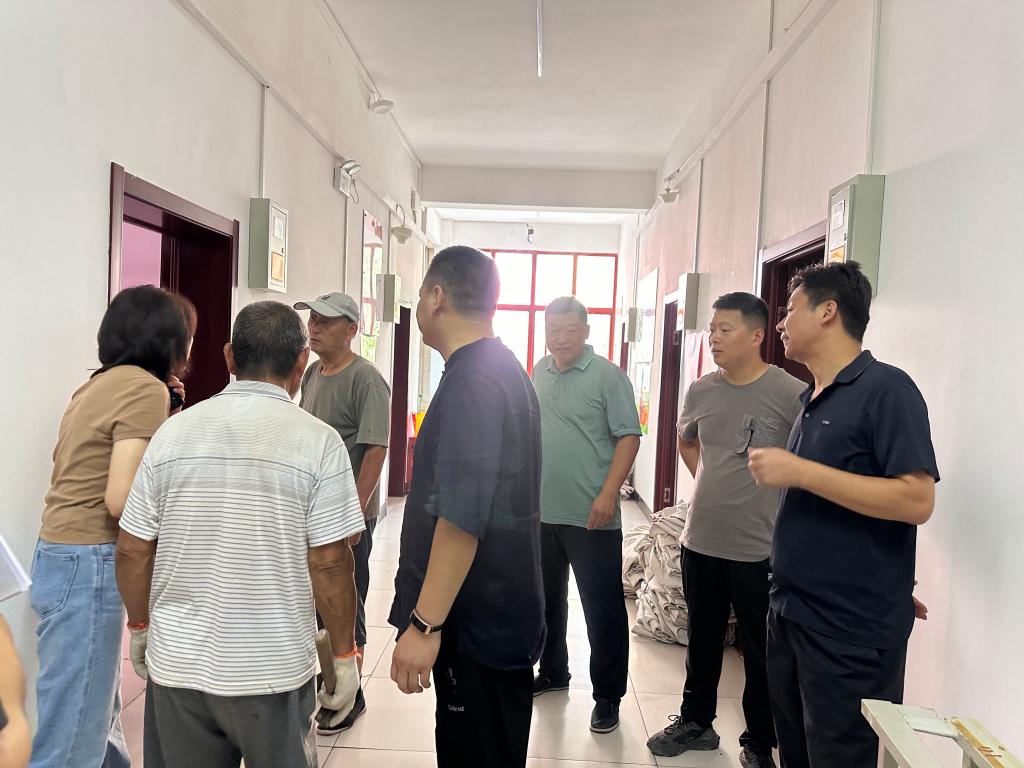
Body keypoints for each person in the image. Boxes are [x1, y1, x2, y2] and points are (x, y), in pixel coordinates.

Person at [116, 301, 365, 768]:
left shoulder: (172, 434)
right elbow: (331, 562)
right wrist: (344, 655)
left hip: (179, 668)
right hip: (272, 671)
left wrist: (140, 627)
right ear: (301, 362)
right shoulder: (319, 442)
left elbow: (132, 549)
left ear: (230, 357)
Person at [747, 261, 939, 767]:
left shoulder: (887, 389)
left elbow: (916, 500)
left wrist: (800, 471)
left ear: (827, 311)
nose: (781, 323)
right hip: (792, 614)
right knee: (796, 753)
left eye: (790, 309)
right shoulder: (813, 396)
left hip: (846, 632)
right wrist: (879, 573)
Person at [388, 246, 544, 768]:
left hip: (479, 623)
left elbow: (461, 518)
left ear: (437, 296)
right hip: (497, 613)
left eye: (419, 294)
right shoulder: (497, 367)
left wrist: (424, 626)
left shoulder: (473, 381)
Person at [29, 285, 193, 768]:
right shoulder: (143, 389)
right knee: (73, 735)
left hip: (60, 553)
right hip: (91, 560)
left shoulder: (97, 385)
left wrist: (168, 411)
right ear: (169, 341)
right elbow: (121, 499)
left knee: (96, 716)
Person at [646, 293, 804, 766]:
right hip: (702, 539)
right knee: (702, 638)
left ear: (756, 336)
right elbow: (686, 440)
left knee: (760, 652)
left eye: (725, 329)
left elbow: (808, 464)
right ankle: (696, 722)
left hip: (760, 549)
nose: (713, 337)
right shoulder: (701, 391)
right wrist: (712, 482)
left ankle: (758, 742)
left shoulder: (791, 393)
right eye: (712, 328)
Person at [531, 296, 641, 734]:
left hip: (592, 514)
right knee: (546, 600)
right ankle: (553, 672)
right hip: (543, 511)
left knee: (602, 609)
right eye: (553, 330)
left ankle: (607, 697)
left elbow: (629, 437)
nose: (560, 338)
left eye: (570, 330)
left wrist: (608, 493)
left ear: (586, 332)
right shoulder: (539, 371)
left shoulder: (608, 377)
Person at [293, 291, 391, 733]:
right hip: (311, 514)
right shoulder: (314, 373)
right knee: (319, 606)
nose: (313, 328)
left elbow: (375, 448)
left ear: (351, 330)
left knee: (347, 606)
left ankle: (351, 696)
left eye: (325, 322)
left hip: (345, 518)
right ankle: (333, 684)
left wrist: (355, 512)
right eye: (312, 319)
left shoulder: (366, 380)